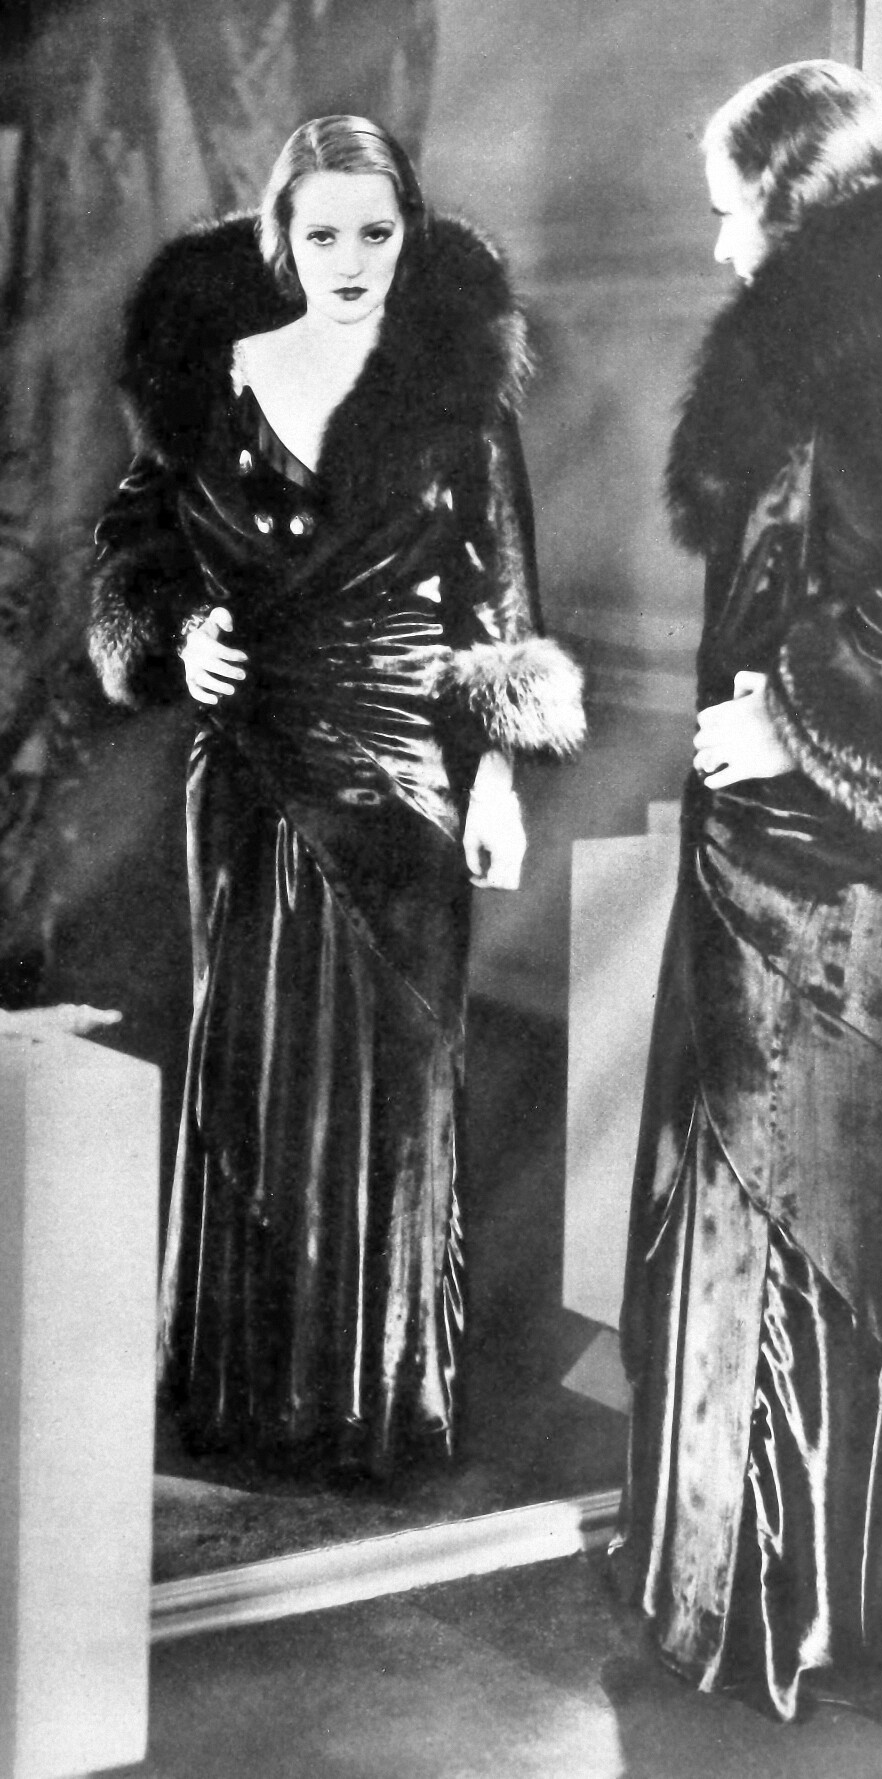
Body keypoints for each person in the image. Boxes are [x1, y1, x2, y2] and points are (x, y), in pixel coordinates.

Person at [613, 62, 882, 1724]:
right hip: (783, 856)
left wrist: (789, 720)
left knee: (797, 1211)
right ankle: (753, 1580)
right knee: (759, 1201)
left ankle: (809, 1605)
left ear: (797, 204)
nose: (722, 247)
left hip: (819, 867)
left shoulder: (877, 377)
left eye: (735, 212)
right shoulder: (863, 358)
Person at [87, 116, 585, 1477]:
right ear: (280, 241)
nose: (351, 260)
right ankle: (249, 1403)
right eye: (322, 234)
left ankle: (377, 1405)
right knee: (251, 1073)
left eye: (377, 231)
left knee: (396, 1087)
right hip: (251, 768)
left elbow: (503, 598)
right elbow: (130, 561)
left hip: (406, 767)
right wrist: (178, 634)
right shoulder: (211, 384)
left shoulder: (454, 393)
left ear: (407, 236)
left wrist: (497, 777)